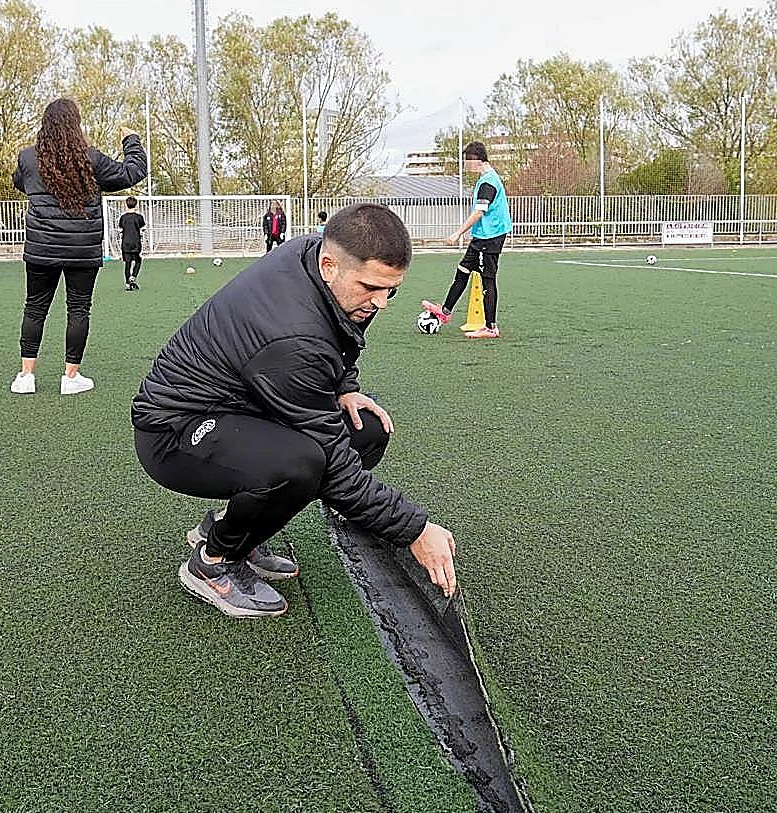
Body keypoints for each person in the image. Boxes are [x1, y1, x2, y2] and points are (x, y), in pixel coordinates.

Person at [133, 203, 458, 619]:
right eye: (370, 288)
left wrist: (345, 387)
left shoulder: (317, 260)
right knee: (302, 465)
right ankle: (212, 562)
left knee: (366, 430)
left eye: (390, 290)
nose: (381, 303)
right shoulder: (294, 337)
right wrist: (414, 528)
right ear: (329, 266)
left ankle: (232, 529)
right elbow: (337, 471)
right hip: (175, 432)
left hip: (243, 403)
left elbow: (342, 338)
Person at [10, 97, 146, 395]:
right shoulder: (92, 160)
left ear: (45, 124)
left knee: (34, 308)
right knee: (78, 309)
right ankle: (71, 378)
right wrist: (131, 140)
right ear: (76, 124)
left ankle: (25, 377)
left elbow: (21, 183)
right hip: (81, 250)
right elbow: (133, 172)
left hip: (41, 248)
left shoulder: (28, 158)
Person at [423, 141, 513, 339]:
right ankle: (444, 312)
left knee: (488, 280)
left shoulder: (488, 182)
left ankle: (490, 328)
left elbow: (480, 212)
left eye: (466, 161)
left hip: (490, 238)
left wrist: (458, 233)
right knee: (462, 270)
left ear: (475, 160)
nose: (465, 166)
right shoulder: (485, 179)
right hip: (481, 237)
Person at [117, 195, 145, 291]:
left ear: (126, 205)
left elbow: (120, 229)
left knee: (127, 263)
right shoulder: (139, 217)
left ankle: (128, 284)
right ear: (136, 205)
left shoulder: (123, 217)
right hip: (136, 242)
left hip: (126, 243)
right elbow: (142, 229)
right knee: (138, 261)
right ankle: (133, 276)